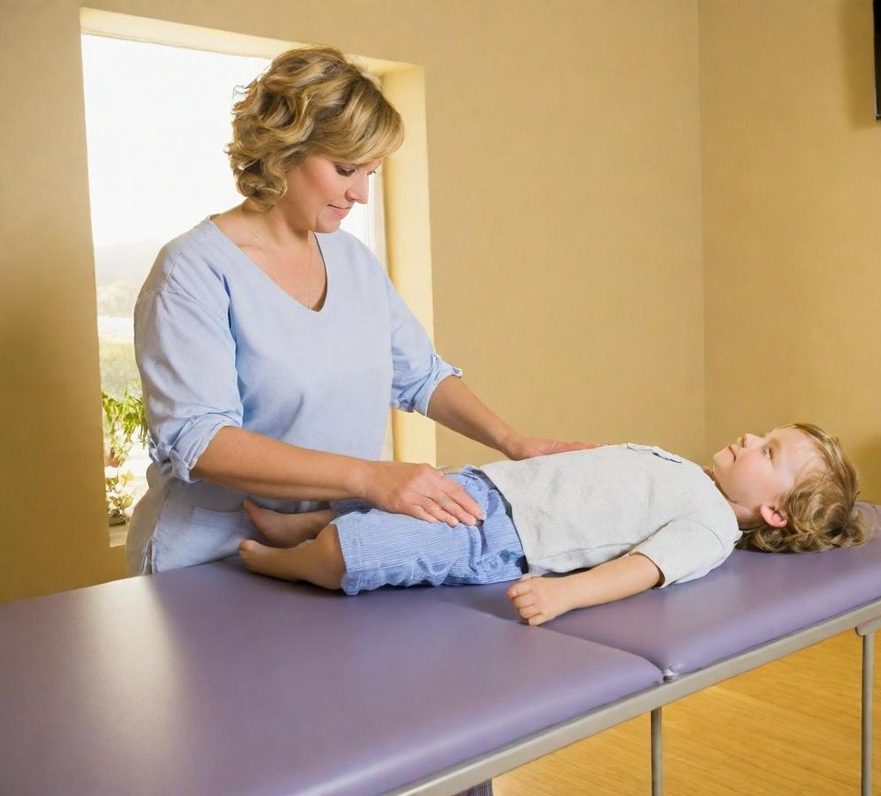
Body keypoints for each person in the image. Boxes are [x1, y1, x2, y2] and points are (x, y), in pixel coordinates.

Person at [127, 45, 588, 577]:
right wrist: (370, 479)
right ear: (284, 150)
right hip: (208, 556)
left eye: (370, 171)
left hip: (323, 544)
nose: (361, 194)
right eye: (346, 169)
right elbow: (201, 441)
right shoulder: (194, 270)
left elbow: (421, 376)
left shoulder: (351, 260)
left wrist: (513, 441)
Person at [237, 424, 872, 626]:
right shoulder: (691, 474)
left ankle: (287, 561)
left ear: (775, 513)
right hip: (492, 486)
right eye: (763, 434)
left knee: (356, 551)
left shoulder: (708, 527)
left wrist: (565, 595)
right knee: (388, 498)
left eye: (767, 452)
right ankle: (300, 527)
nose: (750, 437)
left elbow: (642, 570)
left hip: (499, 539)